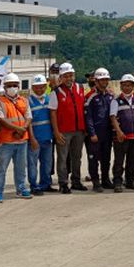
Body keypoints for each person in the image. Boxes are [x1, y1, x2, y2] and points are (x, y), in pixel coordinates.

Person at [0, 73, 34, 202]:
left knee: (21, 167)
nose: (12, 87)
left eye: (15, 85)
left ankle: (21, 189)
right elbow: (1, 120)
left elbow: (28, 117)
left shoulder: (23, 100)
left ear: (18, 86)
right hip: (6, 141)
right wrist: (18, 129)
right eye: (9, 85)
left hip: (22, 140)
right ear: (4, 87)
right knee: (1, 168)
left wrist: (22, 129)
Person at [49, 62, 88, 194]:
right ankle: (63, 183)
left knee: (77, 157)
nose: (69, 78)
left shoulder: (80, 88)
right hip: (64, 131)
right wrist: (56, 131)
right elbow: (53, 113)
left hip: (79, 130)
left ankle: (76, 181)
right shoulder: (56, 92)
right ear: (61, 77)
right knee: (63, 157)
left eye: (70, 75)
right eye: (65, 76)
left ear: (74, 75)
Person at [110, 74, 134, 192]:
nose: (127, 88)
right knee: (119, 161)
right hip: (121, 137)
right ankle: (118, 182)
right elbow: (113, 118)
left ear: (133, 86)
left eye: (129, 85)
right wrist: (119, 132)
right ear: (121, 86)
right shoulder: (116, 101)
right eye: (124, 85)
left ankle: (130, 181)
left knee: (133, 160)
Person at [85, 68, 114, 192]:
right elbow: (88, 116)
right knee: (93, 159)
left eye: (106, 79)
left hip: (107, 133)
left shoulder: (110, 96)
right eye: (102, 80)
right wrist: (92, 133)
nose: (104, 82)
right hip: (95, 134)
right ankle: (95, 181)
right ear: (96, 81)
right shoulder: (90, 97)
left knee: (106, 158)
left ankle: (106, 179)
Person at [28, 75, 54, 196]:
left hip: (47, 138)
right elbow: (28, 122)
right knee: (33, 164)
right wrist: (32, 138)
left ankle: (46, 183)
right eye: (37, 87)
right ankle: (34, 186)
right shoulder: (28, 101)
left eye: (42, 87)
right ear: (33, 87)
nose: (39, 89)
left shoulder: (49, 99)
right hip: (35, 139)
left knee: (47, 163)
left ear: (45, 86)